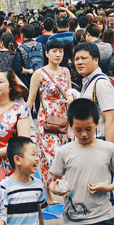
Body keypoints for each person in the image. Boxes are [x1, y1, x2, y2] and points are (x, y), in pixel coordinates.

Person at [49, 99, 114, 225]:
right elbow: (53, 182)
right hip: (74, 222)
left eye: (88, 129)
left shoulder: (108, 148)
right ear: (71, 126)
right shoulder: (64, 152)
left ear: (97, 124)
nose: (84, 134)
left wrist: (108, 187)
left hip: (103, 218)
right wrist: (57, 189)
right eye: (78, 130)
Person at [26, 39, 72, 205]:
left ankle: (50, 194)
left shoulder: (66, 72)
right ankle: (62, 189)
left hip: (63, 121)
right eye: (54, 51)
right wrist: (24, 123)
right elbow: (30, 100)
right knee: (53, 155)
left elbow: (68, 93)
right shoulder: (39, 73)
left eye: (60, 50)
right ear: (46, 53)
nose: (58, 54)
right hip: (46, 122)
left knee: (51, 158)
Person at [0, 136, 51, 225]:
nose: (37, 159)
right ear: (17, 160)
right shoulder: (5, 187)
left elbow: (38, 212)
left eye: (37, 155)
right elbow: (1, 218)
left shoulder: (37, 184)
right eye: (33, 155)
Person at [73, 43, 114, 144]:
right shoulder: (88, 82)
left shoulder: (101, 83)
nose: (79, 62)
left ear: (96, 60)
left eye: (84, 58)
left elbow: (111, 119)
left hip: (99, 147)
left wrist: (109, 151)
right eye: (76, 59)